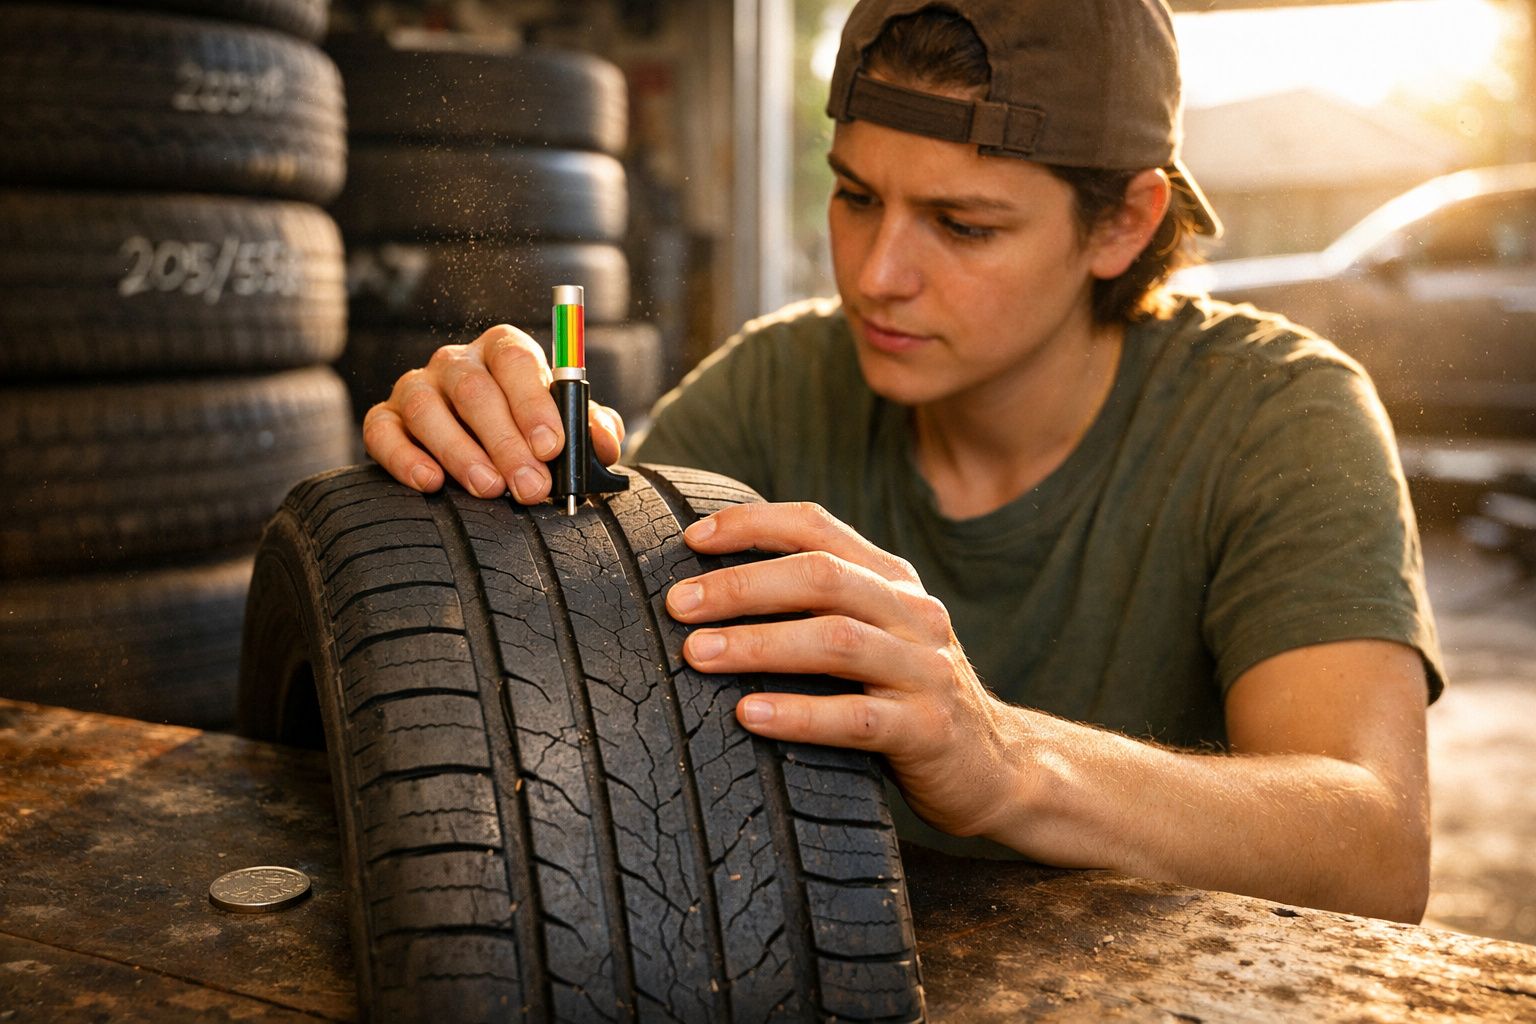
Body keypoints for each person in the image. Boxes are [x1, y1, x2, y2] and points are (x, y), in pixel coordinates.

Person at [362, 0, 1444, 922]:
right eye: (856, 196)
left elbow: (1378, 850)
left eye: (962, 225)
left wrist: (1009, 764)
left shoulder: (1278, 412)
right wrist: (476, 491)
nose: (877, 275)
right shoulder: (779, 385)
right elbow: (563, 661)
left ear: (1123, 223)